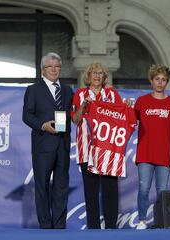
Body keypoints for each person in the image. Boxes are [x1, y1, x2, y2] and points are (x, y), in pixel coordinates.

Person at [71, 62, 125, 229]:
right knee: (91, 191)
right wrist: (84, 105)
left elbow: (121, 117)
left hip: (109, 149)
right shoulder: (80, 94)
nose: (96, 76)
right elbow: (75, 120)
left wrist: (127, 107)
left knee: (110, 190)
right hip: (86, 150)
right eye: (94, 73)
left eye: (100, 73)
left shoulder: (112, 94)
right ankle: (93, 228)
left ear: (104, 77)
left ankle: (111, 227)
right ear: (88, 76)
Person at [22, 52, 73, 229]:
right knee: (42, 186)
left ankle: (59, 226)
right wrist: (43, 125)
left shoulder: (67, 90)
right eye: (50, 66)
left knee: (61, 186)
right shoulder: (33, 90)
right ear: (43, 70)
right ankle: (45, 225)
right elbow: (26, 115)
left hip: (63, 144)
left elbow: (73, 115)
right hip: (43, 144)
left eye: (57, 66)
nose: (54, 69)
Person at [134, 64, 170, 230]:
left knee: (162, 190)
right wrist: (126, 108)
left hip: (164, 154)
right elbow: (128, 122)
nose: (160, 83)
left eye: (163, 80)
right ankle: (142, 220)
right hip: (145, 153)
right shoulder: (141, 102)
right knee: (143, 188)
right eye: (157, 79)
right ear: (151, 80)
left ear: (167, 82)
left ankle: (161, 220)